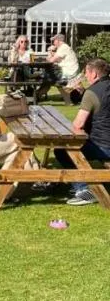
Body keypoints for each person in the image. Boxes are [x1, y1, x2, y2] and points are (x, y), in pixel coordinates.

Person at [54, 58, 110, 206]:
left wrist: (86, 95)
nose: (85, 76)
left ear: (94, 74)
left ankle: (84, 188)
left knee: (62, 150)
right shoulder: (99, 89)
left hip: (103, 146)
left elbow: (78, 124)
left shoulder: (92, 93)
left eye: (86, 72)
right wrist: (83, 93)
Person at [46, 33, 82, 104]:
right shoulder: (63, 47)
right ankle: (70, 100)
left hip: (69, 71)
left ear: (58, 40)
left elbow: (51, 60)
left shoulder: (63, 47)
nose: (53, 43)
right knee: (56, 82)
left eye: (54, 41)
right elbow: (57, 58)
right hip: (71, 70)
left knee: (54, 81)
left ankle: (68, 101)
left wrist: (49, 51)